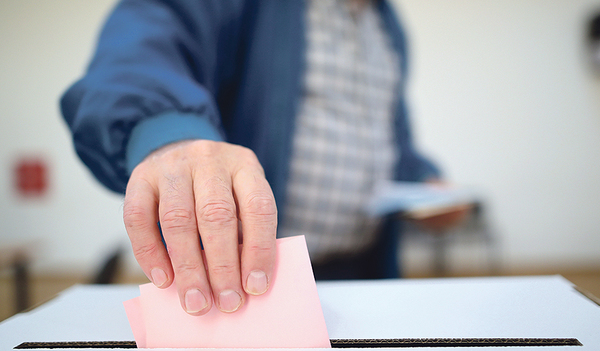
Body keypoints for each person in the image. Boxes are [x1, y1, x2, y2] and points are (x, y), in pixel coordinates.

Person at [61, 0, 468, 316]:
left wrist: (425, 184)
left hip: (368, 272)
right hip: (251, 287)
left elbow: (387, 136)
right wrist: (170, 136)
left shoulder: (388, 28)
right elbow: (140, 48)